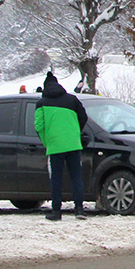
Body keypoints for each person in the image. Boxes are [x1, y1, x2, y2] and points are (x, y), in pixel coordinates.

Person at [34, 72, 88, 221]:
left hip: (55, 146)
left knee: (56, 179)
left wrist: (47, 142)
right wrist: (75, 132)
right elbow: (83, 116)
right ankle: (79, 209)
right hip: (73, 144)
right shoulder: (72, 99)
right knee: (76, 177)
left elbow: (39, 126)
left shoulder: (41, 103)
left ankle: (56, 211)